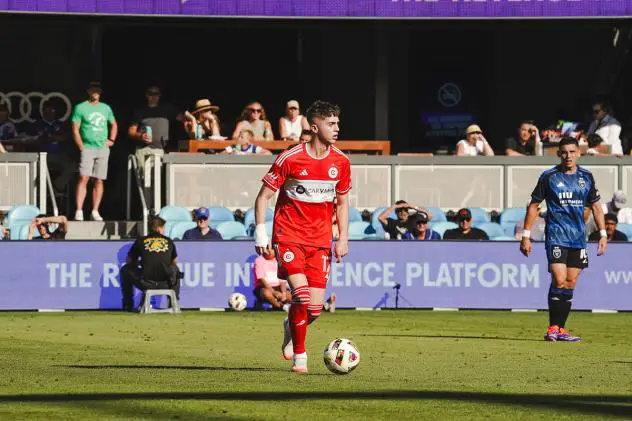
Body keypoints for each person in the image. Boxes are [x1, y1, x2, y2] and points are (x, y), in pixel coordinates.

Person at [253, 100, 351, 373]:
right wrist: (261, 232)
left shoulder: (341, 162)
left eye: (338, 123)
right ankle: (300, 357)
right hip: (289, 236)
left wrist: (342, 238)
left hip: (320, 241)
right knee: (302, 295)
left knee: (315, 309)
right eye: (331, 124)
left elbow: (342, 203)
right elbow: (263, 197)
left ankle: (290, 327)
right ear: (314, 125)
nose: (336, 128)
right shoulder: (290, 158)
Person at [520, 136, 607, 342]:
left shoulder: (586, 177)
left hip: (578, 238)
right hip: (556, 235)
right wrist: (526, 235)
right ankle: (552, 328)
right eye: (564, 152)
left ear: (578, 152)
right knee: (559, 279)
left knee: (570, 282)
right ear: (559, 154)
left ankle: (561, 329)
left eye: (572, 152)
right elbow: (534, 205)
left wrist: (603, 234)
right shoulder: (549, 176)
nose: (568, 156)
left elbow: (595, 206)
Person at [71, 82, 118, 221]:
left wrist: (112, 140)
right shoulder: (80, 107)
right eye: (93, 90)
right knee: (83, 177)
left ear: (100, 92)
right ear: (88, 91)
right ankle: (79, 210)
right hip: (88, 147)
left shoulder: (106, 108)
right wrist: (81, 146)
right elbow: (75, 129)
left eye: (98, 90)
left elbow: (114, 124)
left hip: (102, 148)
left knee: (99, 179)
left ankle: (95, 210)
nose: (95, 92)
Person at [120, 216, 181, 312]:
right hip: (166, 283)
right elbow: (174, 262)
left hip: (146, 283)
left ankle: (128, 305)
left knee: (125, 269)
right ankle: (173, 303)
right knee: (176, 270)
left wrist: (141, 263)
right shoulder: (168, 241)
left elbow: (129, 261)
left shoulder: (141, 241)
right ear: (158, 229)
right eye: (163, 228)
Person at [128, 86, 182, 174]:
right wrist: (141, 136)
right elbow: (131, 131)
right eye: (151, 94)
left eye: (156, 94)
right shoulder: (140, 111)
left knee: (160, 177)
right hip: (144, 149)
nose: (154, 97)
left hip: (161, 150)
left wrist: (193, 121)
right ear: (147, 95)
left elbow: (183, 119)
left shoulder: (167, 109)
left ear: (159, 96)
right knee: (145, 178)